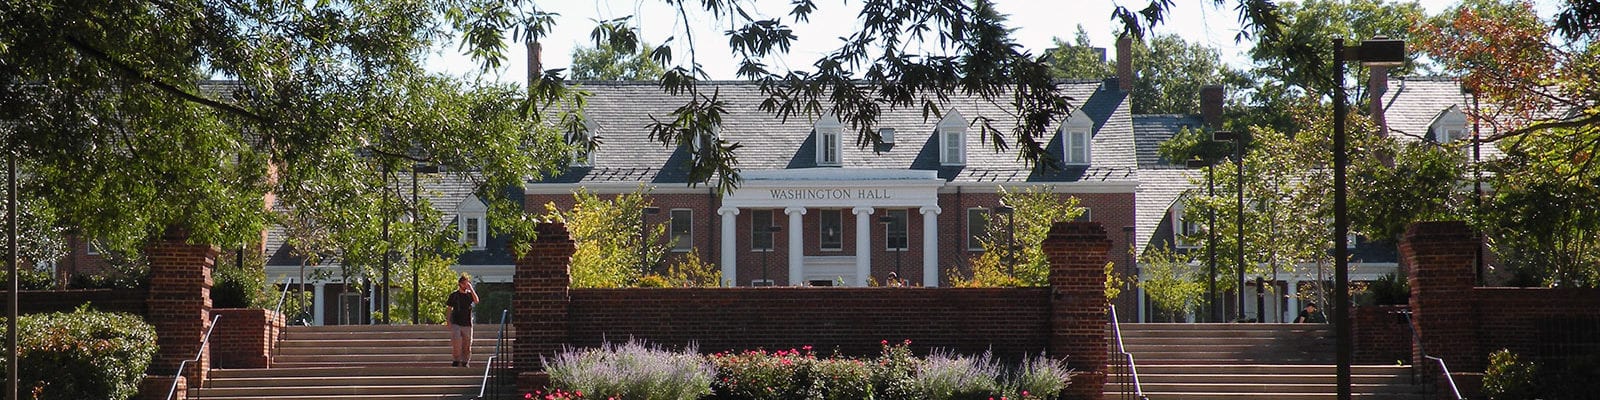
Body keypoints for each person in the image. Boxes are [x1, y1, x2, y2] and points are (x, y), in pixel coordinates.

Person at [445, 275, 479, 367]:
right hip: (456, 321)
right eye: (464, 283)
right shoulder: (454, 295)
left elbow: (476, 301)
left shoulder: (469, 295)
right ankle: (456, 359)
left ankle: (465, 361)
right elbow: (449, 308)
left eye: (468, 283)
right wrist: (448, 321)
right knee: (456, 340)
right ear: (460, 284)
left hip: (467, 323)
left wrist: (471, 289)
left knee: (467, 344)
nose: (466, 285)